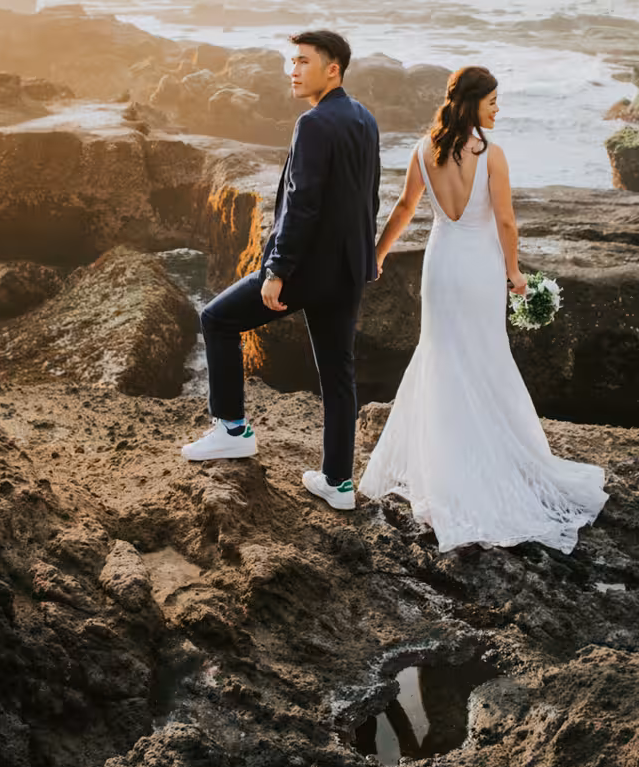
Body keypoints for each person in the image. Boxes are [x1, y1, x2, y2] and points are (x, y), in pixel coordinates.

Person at [359, 66, 607, 551]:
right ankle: (485, 468)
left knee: (441, 358)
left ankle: (443, 471)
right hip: (478, 267)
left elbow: (406, 207)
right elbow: (506, 221)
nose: (498, 109)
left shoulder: (423, 148)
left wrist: (377, 254)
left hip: (441, 264)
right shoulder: (490, 154)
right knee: (486, 360)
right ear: (472, 103)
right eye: (492, 101)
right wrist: (514, 273)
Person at [180, 29, 381, 511]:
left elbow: (303, 205)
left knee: (216, 319)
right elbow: (368, 197)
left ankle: (232, 429)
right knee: (338, 373)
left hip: (306, 269)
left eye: (303, 62)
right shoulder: (366, 119)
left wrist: (277, 269)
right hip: (348, 269)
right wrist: (365, 258)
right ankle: (338, 483)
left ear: (333, 69)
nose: (292, 70)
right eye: (291, 62)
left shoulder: (313, 124)